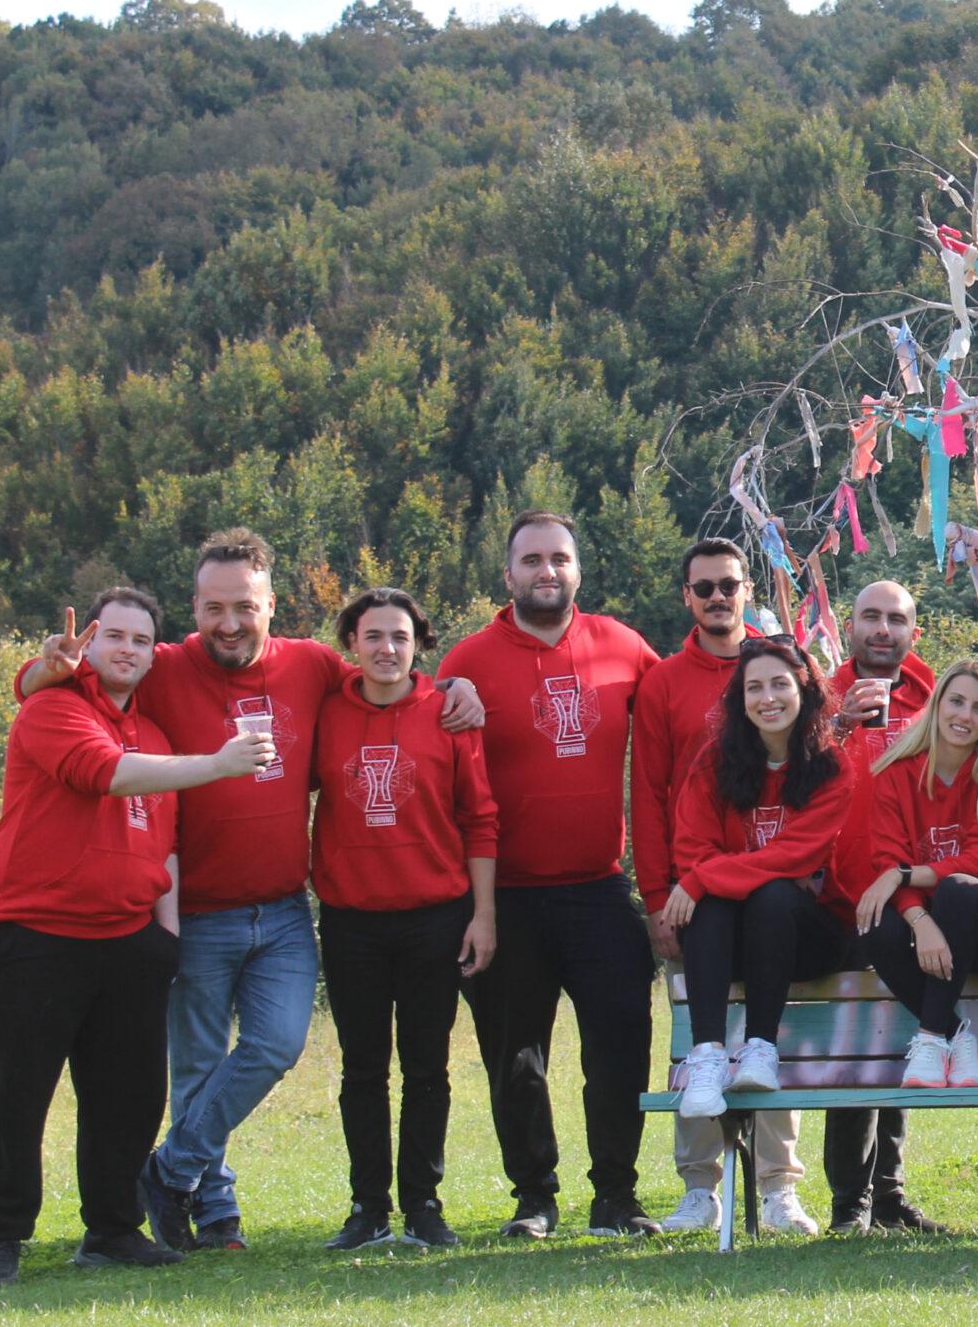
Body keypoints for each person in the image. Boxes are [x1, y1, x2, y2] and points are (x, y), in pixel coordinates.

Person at [18, 529, 483, 1253]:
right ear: (193, 609)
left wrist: (458, 686)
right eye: (212, 608)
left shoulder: (310, 666)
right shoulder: (165, 666)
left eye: (243, 606)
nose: (228, 623)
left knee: (274, 1044)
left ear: (271, 603)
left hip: (286, 906)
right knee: (200, 1063)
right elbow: (76, 677)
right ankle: (215, 1213)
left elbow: (390, 672)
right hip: (198, 906)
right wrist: (34, 674)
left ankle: (169, 1172)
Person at [0, 590, 275, 1289]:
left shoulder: (157, 736)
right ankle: (2, 1237)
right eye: (116, 637)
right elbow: (104, 775)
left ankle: (112, 1229)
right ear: (90, 643)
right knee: (12, 1097)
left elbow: (163, 841)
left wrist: (162, 936)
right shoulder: (51, 709)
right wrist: (220, 763)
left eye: (143, 641)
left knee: (127, 1096)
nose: (129, 651)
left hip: (129, 940)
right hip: (35, 934)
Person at [438, 510, 662, 1239]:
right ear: (507, 576)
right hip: (503, 895)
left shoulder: (623, 647)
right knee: (515, 1054)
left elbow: (689, 721)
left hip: (598, 887)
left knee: (622, 1039)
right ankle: (534, 1195)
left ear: (577, 571)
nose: (547, 571)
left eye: (559, 559)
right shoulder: (467, 660)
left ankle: (617, 1198)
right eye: (531, 560)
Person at [636, 539, 816, 1236]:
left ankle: (779, 1187)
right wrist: (659, 896)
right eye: (703, 587)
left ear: (747, 591)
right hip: (696, 898)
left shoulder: (782, 667)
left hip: (771, 889)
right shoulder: (662, 682)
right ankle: (698, 1188)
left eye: (729, 585)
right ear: (686, 595)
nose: (717, 597)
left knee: (771, 1031)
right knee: (698, 1039)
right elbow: (648, 796)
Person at [310, 588, 498, 1253]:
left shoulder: (448, 712)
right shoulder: (326, 713)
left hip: (434, 917)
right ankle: (368, 1208)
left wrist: (482, 914)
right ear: (352, 645)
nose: (386, 649)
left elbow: (480, 817)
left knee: (427, 1068)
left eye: (399, 636)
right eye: (372, 636)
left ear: (418, 643)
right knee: (362, 1069)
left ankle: (423, 1203)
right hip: (351, 919)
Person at [662, 638, 857, 1157]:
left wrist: (705, 878)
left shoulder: (831, 768)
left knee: (768, 893)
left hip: (809, 938)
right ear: (739, 699)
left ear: (805, 691)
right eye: (754, 688)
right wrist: (704, 881)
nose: (767, 698)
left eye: (779, 684)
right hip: (730, 937)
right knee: (717, 900)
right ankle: (706, 1056)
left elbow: (794, 855)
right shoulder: (714, 762)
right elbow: (691, 847)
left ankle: (760, 1049)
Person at [855, 659, 978, 1113]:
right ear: (936, 706)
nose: (964, 716)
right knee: (872, 920)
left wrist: (904, 877)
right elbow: (886, 858)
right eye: (956, 701)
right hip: (931, 929)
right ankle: (956, 1037)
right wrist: (919, 917)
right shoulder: (898, 773)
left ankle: (930, 1035)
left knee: (958, 887)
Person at [816, 579, 936, 1233]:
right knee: (854, 1049)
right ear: (850, 626)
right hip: (835, 900)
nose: (882, 629)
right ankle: (849, 1205)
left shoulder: (939, 696)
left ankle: (889, 1196)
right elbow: (786, 777)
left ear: (913, 631)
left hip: (908, 898)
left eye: (896, 618)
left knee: (901, 1039)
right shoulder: (816, 694)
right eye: (871, 617)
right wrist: (835, 726)